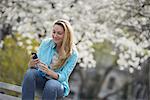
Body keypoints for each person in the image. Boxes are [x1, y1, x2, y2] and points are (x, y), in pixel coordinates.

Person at [22, 19, 78, 100]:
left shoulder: (72, 54)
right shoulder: (46, 43)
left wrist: (49, 72)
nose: (55, 36)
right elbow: (38, 67)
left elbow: (63, 77)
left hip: (57, 85)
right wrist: (31, 64)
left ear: (66, 35)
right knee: (30, 73)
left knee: (51, 84)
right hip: (42, 78)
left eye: (59, 33)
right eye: (54, 32)